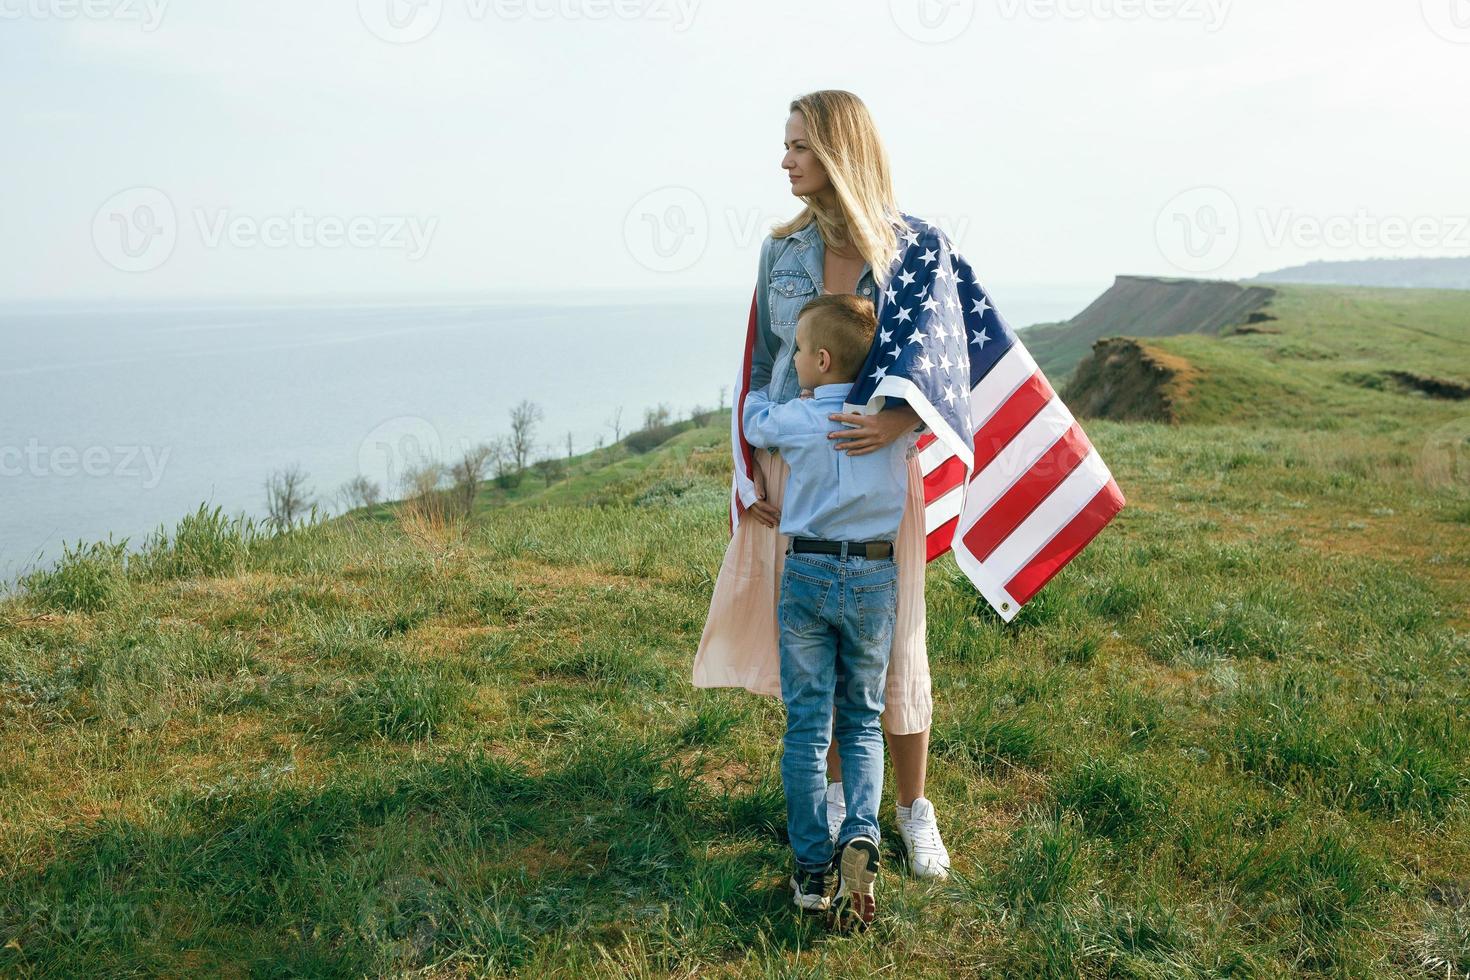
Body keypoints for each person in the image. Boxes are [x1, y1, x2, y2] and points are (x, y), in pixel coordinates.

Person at [693, 89, 952, 880]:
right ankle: (844, 805)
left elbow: (944, 363)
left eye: (799, 145)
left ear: (838, 151)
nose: (785, 160)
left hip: (879, 475)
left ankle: (913, 812)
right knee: (816, 647)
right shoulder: (780, 254)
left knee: (895, 647)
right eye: (787, 144)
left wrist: (898, 425)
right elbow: (760, 367)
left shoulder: (916, 249)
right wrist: (748, 470)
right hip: (795, 471)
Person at [741, 293, 917, 931]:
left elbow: (756, 420)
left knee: (808, 726)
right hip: (873, 574)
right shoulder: (889, 420)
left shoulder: (797, 418)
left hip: (809, 571)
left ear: (818, 360)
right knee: (862, 721)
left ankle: (814, 867)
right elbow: (932, 409)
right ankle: (862, 833)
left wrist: (761, 392)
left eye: (798, 353)